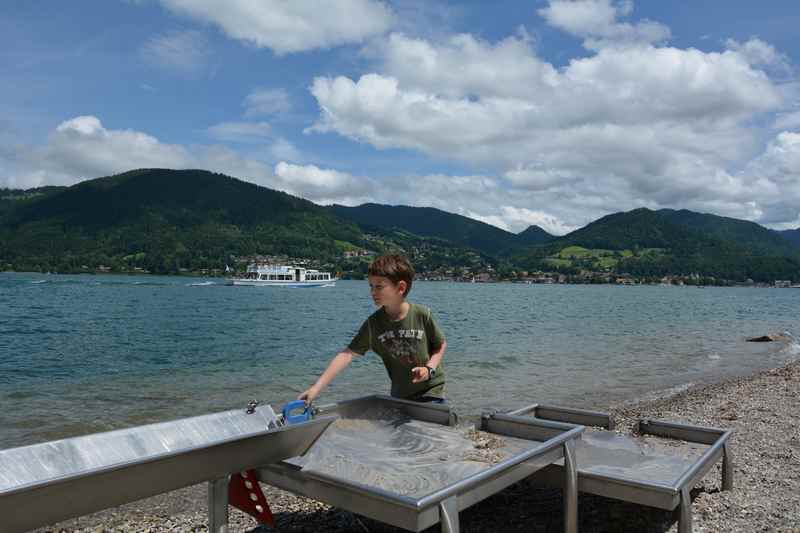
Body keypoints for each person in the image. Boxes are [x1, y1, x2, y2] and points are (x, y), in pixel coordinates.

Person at [299, 254, 447, 405]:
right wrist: (315, 388)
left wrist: (429, 369)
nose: (372, 292)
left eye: (379, 286)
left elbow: (440, 344)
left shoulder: (422, 315)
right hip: (401, 395)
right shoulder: (373, 325)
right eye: (371, 286)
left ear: (401, 288)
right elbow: (346, 355)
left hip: (431, 391)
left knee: (430, 425)